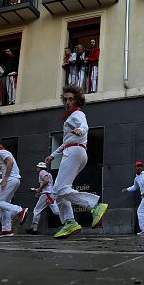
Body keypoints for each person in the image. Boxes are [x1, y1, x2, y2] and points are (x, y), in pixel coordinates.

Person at [45, 85, 108, 239]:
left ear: (77, 100)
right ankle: (69, 222)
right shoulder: (70, 117)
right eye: (65, 99)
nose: (67, 102)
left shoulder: (77, 114)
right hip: (75, 151)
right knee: (58, 191)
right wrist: (53, 155)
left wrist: (81, 130)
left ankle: (95, 206)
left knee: (60, 189)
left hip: (74, 152)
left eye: (70, 99)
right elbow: (67, 140)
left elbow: (84, 125)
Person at [26, 162, 60, 235]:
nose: (37, 169)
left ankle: (33, 229)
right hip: (49, 193)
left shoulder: (42, 172)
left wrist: (39, 189)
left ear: (40, 168)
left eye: (37, 167)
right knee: (56, 211)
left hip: (47, 194)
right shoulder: (48, 173)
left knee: (37, 210)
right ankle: (67, 220)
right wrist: (39, 190)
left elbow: (46, 181)